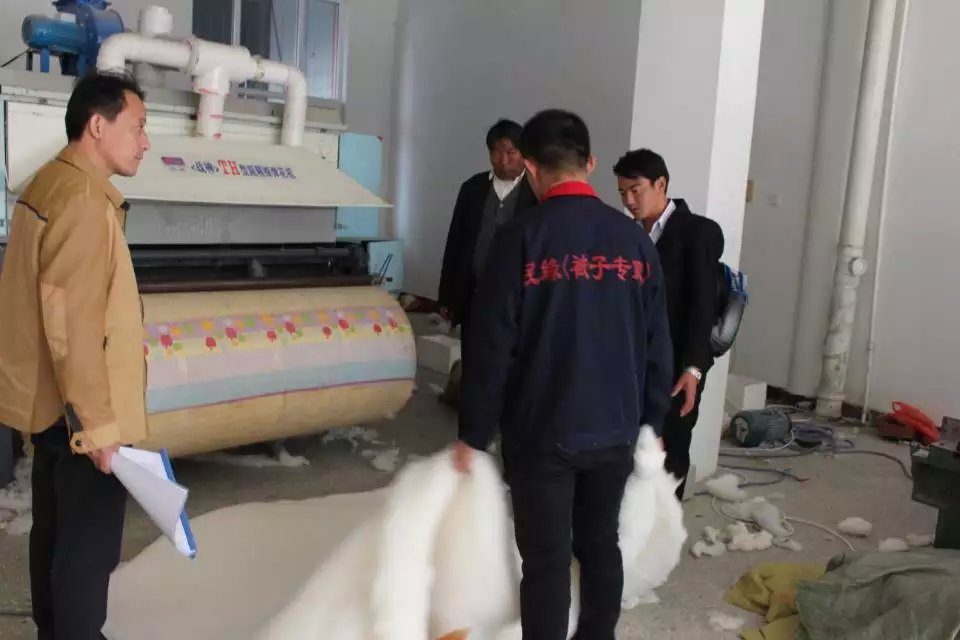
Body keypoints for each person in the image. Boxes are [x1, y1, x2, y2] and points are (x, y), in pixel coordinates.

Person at [452, 110, 673, 640]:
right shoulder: (634, 241)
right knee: (600, 545)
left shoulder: (519, 238)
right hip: (615, 428)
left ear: (530, 166)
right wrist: (652, 422)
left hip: (541, 431)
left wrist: (473, 433)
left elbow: (491, 347)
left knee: (547, 561)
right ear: (590, 163)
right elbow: (656, 343)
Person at [0, 72, 151, 639]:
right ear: (97, 126)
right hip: (80, 421)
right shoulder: (86, 205)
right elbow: (75, 329)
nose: (145, 142)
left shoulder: (46, 184)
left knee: (56, 538)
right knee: (87, 554)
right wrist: (100, 429)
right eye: (137, 127)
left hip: (48, 410)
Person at [614, 148, 724, 500]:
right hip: (629, 361)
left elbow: (702, 307)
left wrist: (694, 369)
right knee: (628, 448)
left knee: (670, 450)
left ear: (660, 184)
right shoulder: (625, 235)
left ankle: (663, 526)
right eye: (622, 193)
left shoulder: (698, 232)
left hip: (677, 365)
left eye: (636, 190)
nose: (629, 201)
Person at [438, 119, 538, 342]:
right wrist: (446, 296)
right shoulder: (473, 188)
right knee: (473, 349)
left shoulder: (536, 191)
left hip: (517, 294)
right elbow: (455, 241)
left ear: (524, 153)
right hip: (474, 290)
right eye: (496, 153)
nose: (503, 161)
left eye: (511, 153)